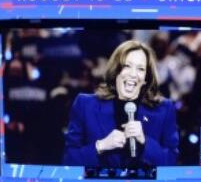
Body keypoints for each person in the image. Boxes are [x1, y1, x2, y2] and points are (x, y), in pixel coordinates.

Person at [62, 39, 179, 174]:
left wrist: (145, 142)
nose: (133, 74)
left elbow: (172, 162)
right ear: (116, 71)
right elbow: (68, 161)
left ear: (146, 78)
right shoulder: (85, 105)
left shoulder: (164, 109)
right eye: (127, 66)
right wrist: (101, 146)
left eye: (140, 69)